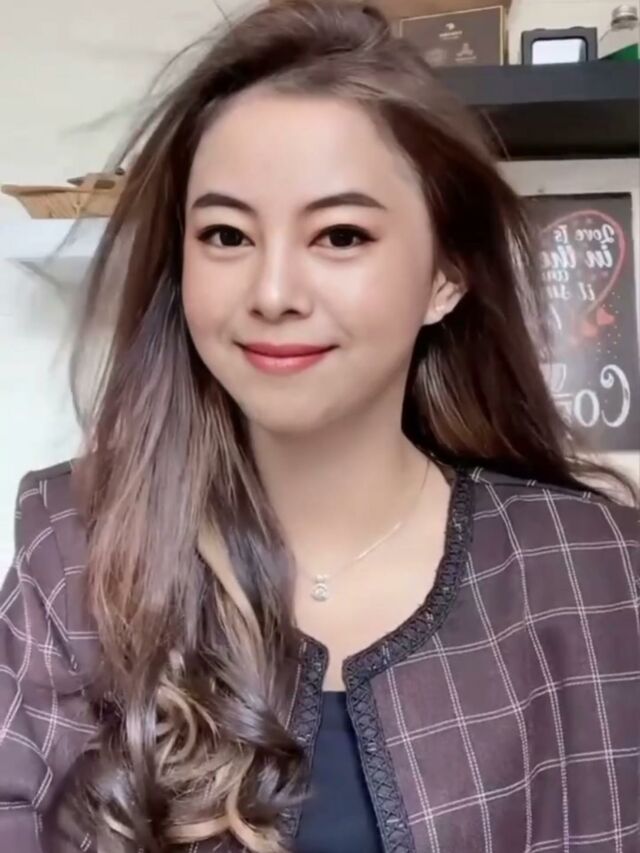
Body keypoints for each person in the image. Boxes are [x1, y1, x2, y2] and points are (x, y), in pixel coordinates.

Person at [1, 1, 638, 851]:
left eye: (340, 235)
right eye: (226, 234)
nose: (272, 292)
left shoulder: (597, 569)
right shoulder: (72, 553)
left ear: (447, 274)